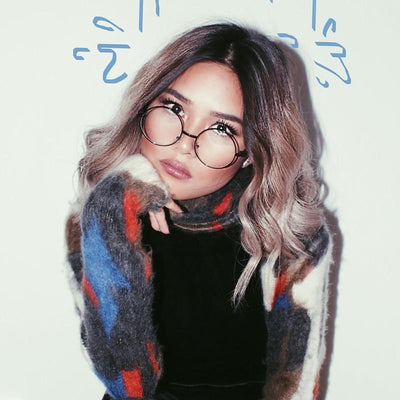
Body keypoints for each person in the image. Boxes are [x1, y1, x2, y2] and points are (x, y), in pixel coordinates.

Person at [65, 23, 332, 400]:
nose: (185, 143)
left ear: (251, 153)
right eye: (174, 108)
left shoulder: (285, 232)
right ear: (145, 105)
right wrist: (112, 214)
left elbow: (296, 388)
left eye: (222, 128)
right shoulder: (101, 215)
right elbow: (128, 384)